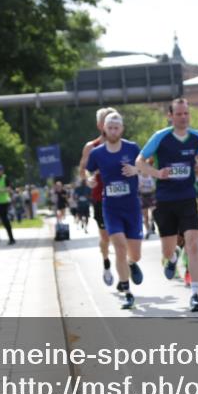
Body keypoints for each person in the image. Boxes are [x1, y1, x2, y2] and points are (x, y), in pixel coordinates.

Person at [138, 98, 198, 312]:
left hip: (188, 197)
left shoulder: (196, 137)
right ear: (170, 116)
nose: (183, 117)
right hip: (165, 200)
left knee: (193, 244)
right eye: (178, 114)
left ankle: (195, 294)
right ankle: (172, 258)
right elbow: (139, 162)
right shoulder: (160, 137)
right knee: (168, 250)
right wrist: (158, 173)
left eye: (186, 113)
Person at [84, 112, 144, 308]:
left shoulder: (132, 148)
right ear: (104, 129)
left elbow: (144, 165)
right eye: (109, 127)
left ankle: (132, 264)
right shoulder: (97, 153)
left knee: (134, 254)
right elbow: (88, 169)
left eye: (116, 127)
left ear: (122, 129)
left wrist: (136, 170)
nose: (113, 131)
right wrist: (89, 178)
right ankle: (127, 291)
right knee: (118, 246)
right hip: (111, 207)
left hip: (132, 207)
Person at [79, 107, 117, 286]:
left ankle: (124, 270)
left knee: (121, 236)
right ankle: (106, 263)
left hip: (120, 197)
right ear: (99, 125)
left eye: (113, 120)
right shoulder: (91, 147)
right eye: (106, 120)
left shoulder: (123, 145)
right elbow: (83, 172)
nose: (110, 124)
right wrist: (89, 179)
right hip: (100, 197)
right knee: (105, 237)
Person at [138, 172, 156, 238]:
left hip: (151, 196)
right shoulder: (139, 177)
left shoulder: (150, 176)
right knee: (145, 216)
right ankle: (148, 230)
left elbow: (154, 187)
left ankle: (152, 225)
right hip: (142, 196)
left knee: (154, 213)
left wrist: (145, 187)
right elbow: (138, 188)